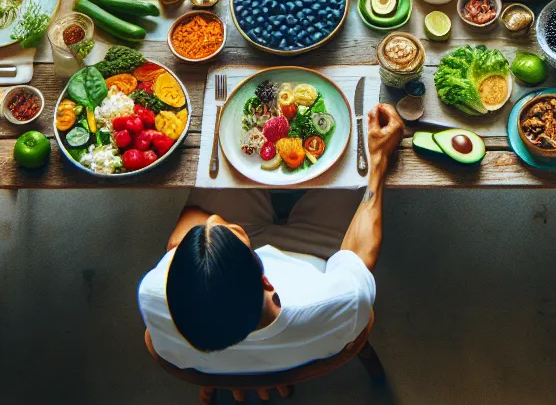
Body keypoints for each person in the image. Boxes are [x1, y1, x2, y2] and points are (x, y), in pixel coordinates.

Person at [140, 104, 405, 373]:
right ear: (267, 280)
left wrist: (240, 371)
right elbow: (359, 257)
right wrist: (379, 158)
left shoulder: (151, 295)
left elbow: (177, 242)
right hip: (313, 255)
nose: (213, 220)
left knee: (222, 173)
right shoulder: (342, 300)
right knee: (355, 174)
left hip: (234, 321)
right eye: (233, 232)